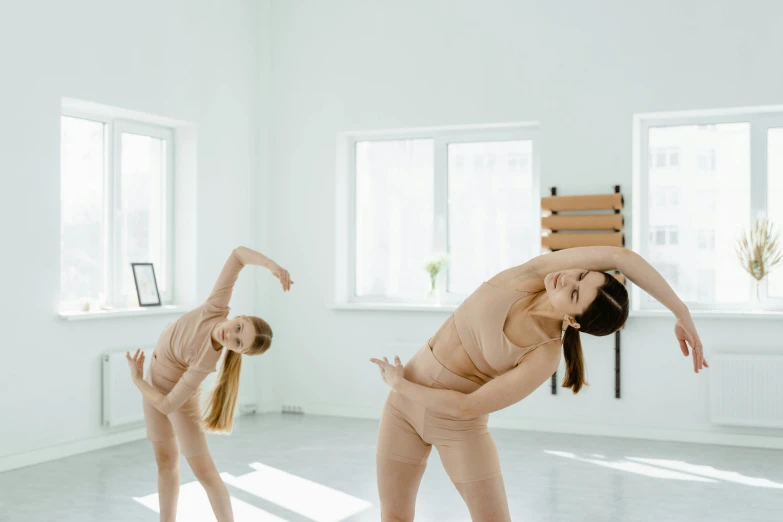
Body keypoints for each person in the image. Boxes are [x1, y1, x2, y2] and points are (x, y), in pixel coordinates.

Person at [370, 246, 707, 522]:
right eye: (580, 274)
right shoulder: (526, 276)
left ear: (573, 320)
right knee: (394, 516)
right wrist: (682, 313)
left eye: (574, 292)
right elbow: (622, 258)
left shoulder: (543, 356)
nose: (566, 278)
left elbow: (466, 407)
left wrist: (401, 386)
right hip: (402, 412)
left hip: (455, 423)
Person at [126, 246, 293, 522]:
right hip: (154, 380)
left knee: (204, 472)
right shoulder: (216, 307)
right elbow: (238, 256)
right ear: (238, 317)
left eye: (238, 343)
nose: (231, 335)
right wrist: (271, 265)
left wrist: (136, 379)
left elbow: (168, 404)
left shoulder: (205, 362)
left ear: (237, 352)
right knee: (165, 462)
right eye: (239, 327)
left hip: (170, 396)